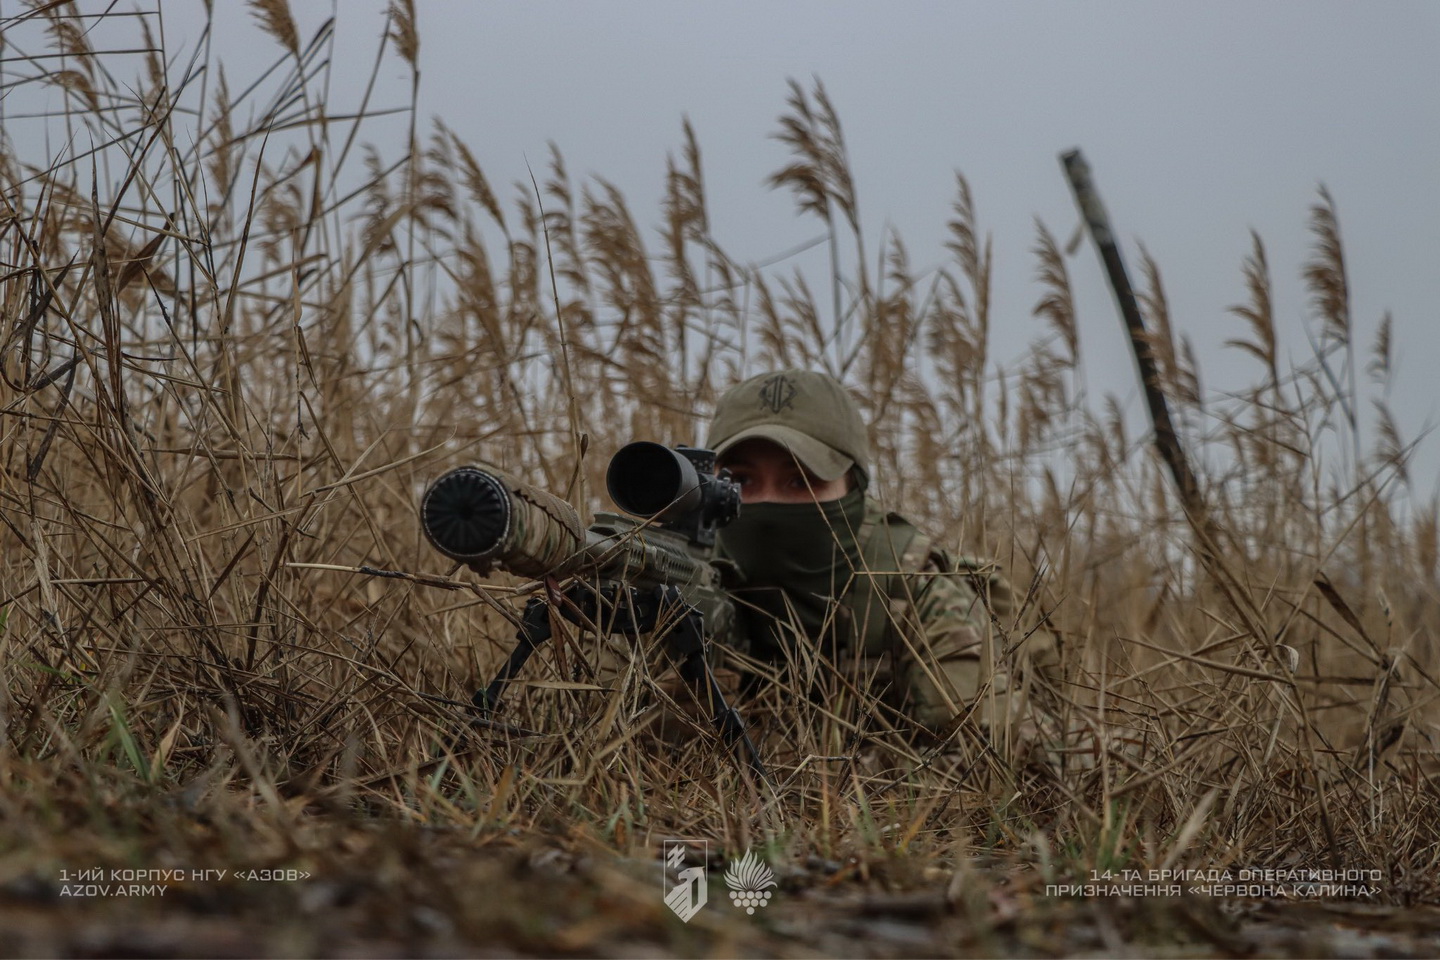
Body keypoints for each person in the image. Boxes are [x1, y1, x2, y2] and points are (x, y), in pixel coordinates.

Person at [705, 369, 1059, 744]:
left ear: (854, 489)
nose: (767, 502)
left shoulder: (910, 589)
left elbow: (1016, 753)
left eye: (801, 481)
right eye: (740, 481)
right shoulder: (692, 577)